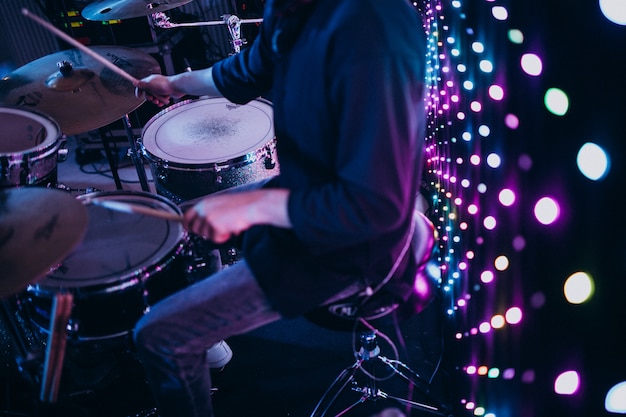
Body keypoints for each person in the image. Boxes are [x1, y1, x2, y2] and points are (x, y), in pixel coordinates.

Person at [132, 0, 430, 416]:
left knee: (157, 336)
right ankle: (209, 340)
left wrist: (255, 205)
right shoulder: (293, 7)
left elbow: (375, 206)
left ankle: (188, 341)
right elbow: (250, 69)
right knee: (179, 224)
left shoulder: (375, 27)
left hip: (348, 246)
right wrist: (175, 83)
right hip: (305, 193)